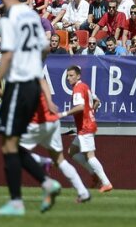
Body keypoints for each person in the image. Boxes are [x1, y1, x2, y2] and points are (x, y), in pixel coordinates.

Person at [0, 0, 59, 217]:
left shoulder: (8, 19)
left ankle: (17, 202)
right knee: (11, 142)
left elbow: (7, 54)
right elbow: (45, 48)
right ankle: (46, 182)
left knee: (8, 142)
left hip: (18, 85)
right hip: (31, 85)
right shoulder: (31, 15)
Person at [18, 75, 89, 205]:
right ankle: (83, 192)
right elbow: (42, 82)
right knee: (60, 161)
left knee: (13, 151)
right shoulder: (29, 76)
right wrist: (49, 102)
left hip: (39, 123)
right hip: (53, 121)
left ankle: (44, 162)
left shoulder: (22, 75)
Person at [63, 65, 113, 195]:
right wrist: (91, 112)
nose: (69, 78)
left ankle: (106, 182)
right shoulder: (84, 86)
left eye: (71, 75)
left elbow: (80, 107)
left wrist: (64, 114)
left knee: (90, 156)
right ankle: (94, 174)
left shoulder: (79, 88)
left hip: (85, 127)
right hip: (86, 125)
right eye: (68, 76)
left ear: (78, 76)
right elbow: (97, 100)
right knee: (72, 152)